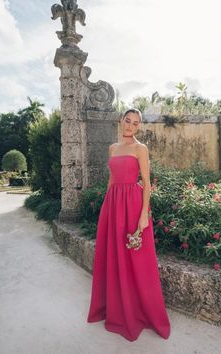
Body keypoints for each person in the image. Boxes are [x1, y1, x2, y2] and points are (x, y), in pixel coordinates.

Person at [87, 108, 171, 341]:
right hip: (113, 206)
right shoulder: (112, 149)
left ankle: (140, 311)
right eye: (127, 121)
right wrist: (106, 207)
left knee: (137, 259)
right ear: (121, 121)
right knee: (114, 257)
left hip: (133, 205)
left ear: (138, 126)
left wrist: (144, 214)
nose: (130, 126)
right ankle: (116, 308)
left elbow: (145, 182)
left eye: (135, 123)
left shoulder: (140, 149)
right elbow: (112, 180)